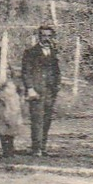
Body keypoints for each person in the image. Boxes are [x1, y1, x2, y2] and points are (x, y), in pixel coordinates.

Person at [21, 26, 63, 156]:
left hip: (50, 91)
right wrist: (30, 88)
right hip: (36, 90)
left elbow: (56, 71)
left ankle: (43, 147)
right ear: (39, 36)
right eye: (44, 36)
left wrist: (57, 86)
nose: (46, 39)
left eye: (49, 36)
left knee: (47, 119)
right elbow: (26, 72)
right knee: (37, 119)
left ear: (52, 37)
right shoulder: (30, 52)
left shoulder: (53, 52)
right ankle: (36, 148)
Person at [0, 76, 26, 159]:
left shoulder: (15, 81)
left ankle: (10, 149)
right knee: (3, 123)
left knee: (12, 123)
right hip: (4, 98)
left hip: (13, 99)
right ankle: (6, 150)